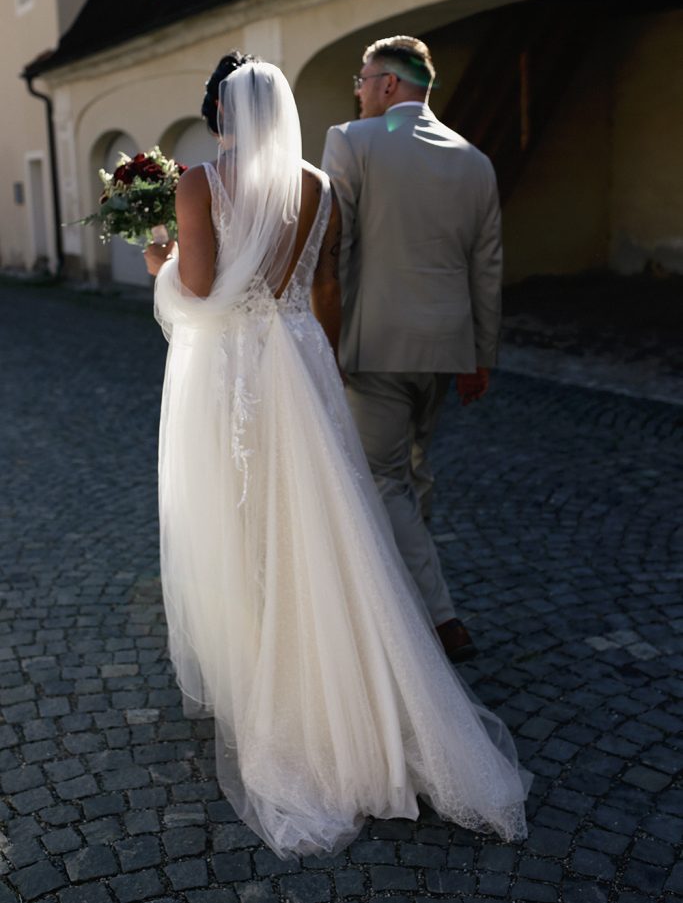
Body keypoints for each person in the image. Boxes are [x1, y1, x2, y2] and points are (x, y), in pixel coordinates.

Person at [144, 52, 529, 858]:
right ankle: (353, 681)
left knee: (241, 515)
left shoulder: (199, 184)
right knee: (321, 519)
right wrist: (323, 362)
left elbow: (208, 296)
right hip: (299, 358)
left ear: (223, 113)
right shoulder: (316, 183)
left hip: (239, 369)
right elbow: (323, 287)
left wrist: (159, 268)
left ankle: (268, 681)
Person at [321, 35, 503, 664]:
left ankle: (440, 619)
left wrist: (330, 334)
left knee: (386, 479)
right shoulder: (474, 160)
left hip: (373, 343)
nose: (358, 89)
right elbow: (488, 266)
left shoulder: (350, 141)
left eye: (363, 78)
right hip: (444, 347)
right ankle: (405, 595)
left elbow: (334, 249)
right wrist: (482, 356)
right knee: (415, 473)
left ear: (390, 85)